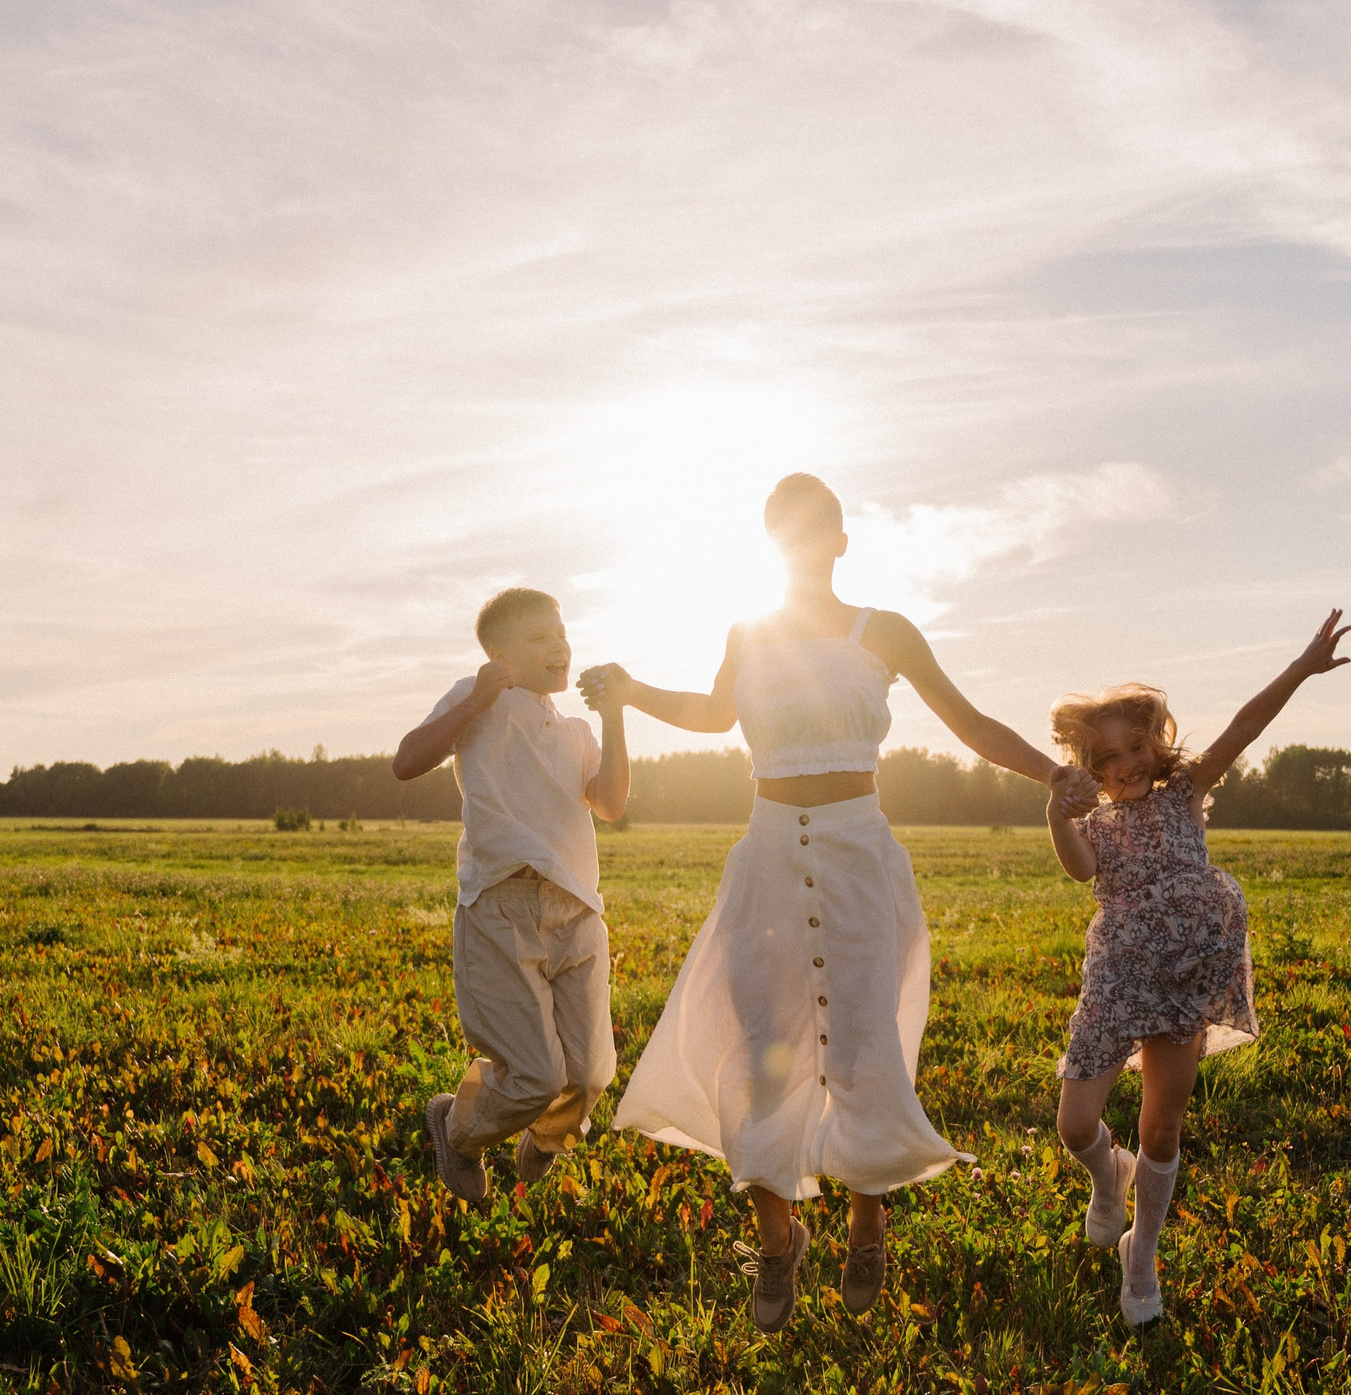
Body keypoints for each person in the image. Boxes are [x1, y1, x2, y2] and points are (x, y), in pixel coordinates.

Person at [580, 474, 1093, 1333]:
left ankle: (865, 1222)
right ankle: (777, 1243)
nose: (800, 542)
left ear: (843, 543)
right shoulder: (748, 631)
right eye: (783, 530)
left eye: (815, 529)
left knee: (863, 1045)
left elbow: (967, 723)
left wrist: (1053, 773)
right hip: (770, 858)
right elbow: (713, 713)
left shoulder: (882, 630)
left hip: (860, 858)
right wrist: (632, 691)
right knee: (757, 1047)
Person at [1046, 611, 1351, 1325]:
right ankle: (1108, 1179)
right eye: (1110, 755)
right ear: (1093, 765)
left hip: (1186, 974)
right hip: (1119, 980)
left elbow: (1245, 725)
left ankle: (1141, 1250)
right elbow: (1076, 867)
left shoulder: (1185, 794)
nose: (1127, 763)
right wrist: (1056, 815)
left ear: (1157, 741)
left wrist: (1301, 667)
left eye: (1137, 744)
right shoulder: (1093, 826)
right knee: (1074, 1123)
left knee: (1161, 1129)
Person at [393, 587, 630, 1202]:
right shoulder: (480, 706)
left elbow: (609, 803)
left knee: (591, 1073)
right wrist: (477, 695)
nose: (559, 646)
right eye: (539, 638)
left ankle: (546, 1137)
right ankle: (459, 1130)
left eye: (562, 634)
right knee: (536, 1074)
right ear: (498, 655)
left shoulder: (574, 730)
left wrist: (613, 715)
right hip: (502, 909)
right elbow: (406, 760)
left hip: (577, 911)